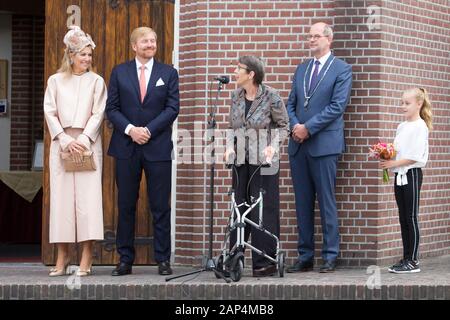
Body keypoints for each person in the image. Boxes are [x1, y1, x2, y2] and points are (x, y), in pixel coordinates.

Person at [106, 27, 179, 276]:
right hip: (126, 147)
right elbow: (112, 108)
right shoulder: (119, 72)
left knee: (160, 205)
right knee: (126, 204)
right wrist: (130, 130)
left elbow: (172, 108)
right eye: (145, 41)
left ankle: (162, 259)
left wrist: (147, 130)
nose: (150, 44)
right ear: (133, 46)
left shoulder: (168, 73)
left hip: (157, 147)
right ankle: (125, 259)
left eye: (153, 40)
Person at [286, 22, 352, 273]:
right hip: (298, 146)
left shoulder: (342, 69)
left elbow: (337, 106)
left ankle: (330, 255)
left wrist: (308, 128)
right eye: (309, 36)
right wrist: (295, 126)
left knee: (326, 202)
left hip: (324, 145)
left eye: (316, 36)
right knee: (302, 203)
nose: (311, 40)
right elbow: (290, 103)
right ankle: (305, 256)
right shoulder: (301, 69)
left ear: (328, 39)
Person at [43, 26, 106, 277]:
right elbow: (49, 111)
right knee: (62, 201)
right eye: (83, 55)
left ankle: (87, 256)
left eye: (90, 55)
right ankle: (62, 254)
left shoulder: (97, 81)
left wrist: (82, 138)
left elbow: (98, 112)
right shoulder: (55, 81)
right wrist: (63, 138)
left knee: (88, 200)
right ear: (71, 56)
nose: (87, 59)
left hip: (87, 143)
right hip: (62, 144)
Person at [224, 55, 289, 277]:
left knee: (263, 208)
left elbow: (284, 126)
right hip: (241, 160)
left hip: (264, 161)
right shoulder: (235, 96)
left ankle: (265, 261)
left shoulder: (271, 96)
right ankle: (234, 255)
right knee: (239, 206)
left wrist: (272, 146)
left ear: (251, 74)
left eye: (238, 68)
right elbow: (233, 128)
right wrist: (229, 147)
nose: (234, 71)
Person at [381, 88, 431, 274]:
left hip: (411, 174)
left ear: (419, 104)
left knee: (411, 217)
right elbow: (398, 149)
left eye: (407, 103)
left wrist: (393, 162)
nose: (403, 106)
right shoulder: (402, 126)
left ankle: (414, 260)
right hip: (399, 175)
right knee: (403, 218)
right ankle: (406, 257)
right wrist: (383, 151)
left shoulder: (420, 126)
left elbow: (414, 156)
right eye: (402, 102)